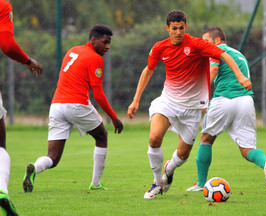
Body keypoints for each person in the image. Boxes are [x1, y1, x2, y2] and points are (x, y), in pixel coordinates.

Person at [127, 11, 252, 199]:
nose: (178, 32)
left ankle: (169, 168)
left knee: (183, 155)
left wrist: (240, 76)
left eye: (181, 28)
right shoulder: (160, 47)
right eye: (174, 28)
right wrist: (136, 99)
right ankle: (157, 183)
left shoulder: (196, 44)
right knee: (154, 138)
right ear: (167, 28)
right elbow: (148, 70)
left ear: (186, 27)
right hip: (168, 102)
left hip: (192, 109)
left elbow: (224, 55)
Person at [23, 24, 123, 193]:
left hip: (56, 105)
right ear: (93, 39)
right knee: (102, 136)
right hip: (76, 104)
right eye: (105, 42)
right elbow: (98, 94)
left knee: (53, 158)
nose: (107, 47)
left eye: (109, 43)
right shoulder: (95, 58)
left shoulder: (72, 50)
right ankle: (96, 183)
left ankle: (34, 167)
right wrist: (114, 117)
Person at [186, 27, 266, 192]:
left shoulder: (216, 50)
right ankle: (265, 164)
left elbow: (213, 69)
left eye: (206, 42)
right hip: (246, 101)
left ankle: (200, 184)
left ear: (217, 41)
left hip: (224, 99)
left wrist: (202, 96)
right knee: (247, 149)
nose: (204, 46)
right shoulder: (239, 54)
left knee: (206, 139)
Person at [0, 0, 43, 215]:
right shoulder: (2, 5)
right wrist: (26, 60)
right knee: (0, 144)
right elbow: (7, 45)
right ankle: (1, 190)